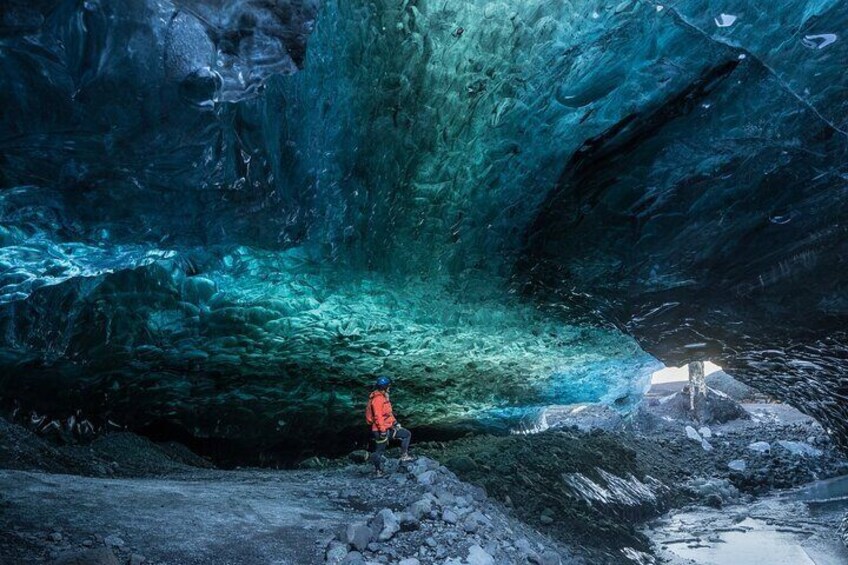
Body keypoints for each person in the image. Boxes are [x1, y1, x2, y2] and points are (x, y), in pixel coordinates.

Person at [366, 375, 412, 476]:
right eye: (388, 386)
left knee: (406, 434)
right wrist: (382, 431)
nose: (389, 388)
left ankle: (404, 455)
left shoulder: (383, 397)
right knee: (379, 451)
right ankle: (378, 471)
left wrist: (395, 423)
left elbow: (388, 414)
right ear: (385, 387)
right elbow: (378, 416)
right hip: (380, 430)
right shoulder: (378, 399)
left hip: (388, 427)